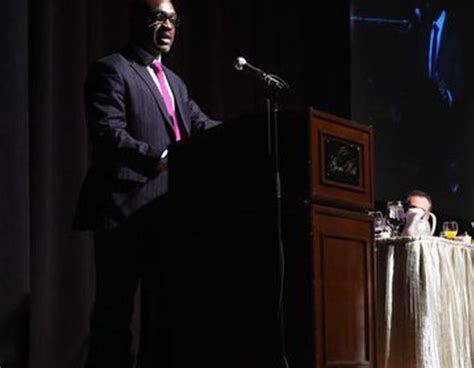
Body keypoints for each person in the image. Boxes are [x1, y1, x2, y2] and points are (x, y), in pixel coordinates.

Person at [73, 0, 221, 366]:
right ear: (137, 22)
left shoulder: (174, 82)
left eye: (173, 19)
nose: (168, 26)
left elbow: (201, 126)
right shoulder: (112, 70)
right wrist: (159, 158)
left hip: (166, 215)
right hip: (123, 211)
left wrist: (252, 135)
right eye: (159, 17)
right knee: (115, 315)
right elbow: (107, 132)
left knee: (163, 316)